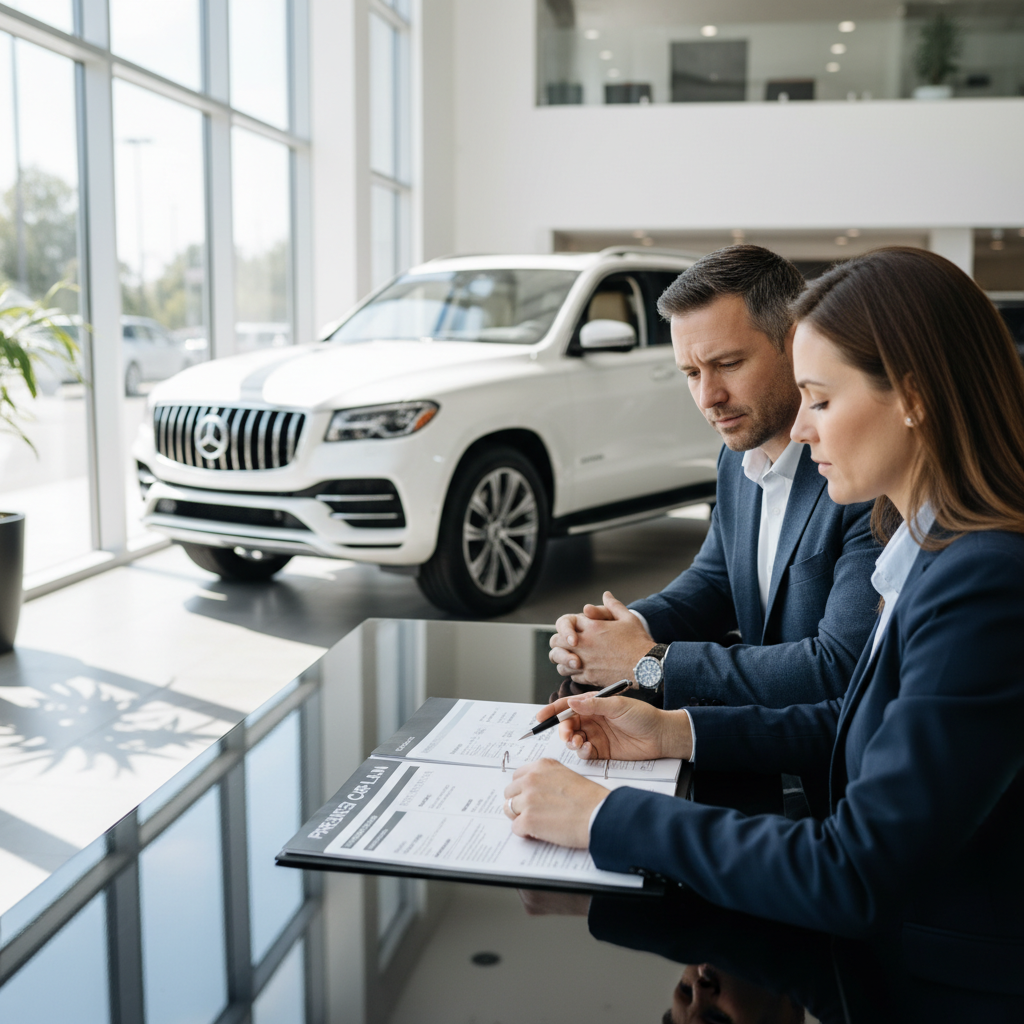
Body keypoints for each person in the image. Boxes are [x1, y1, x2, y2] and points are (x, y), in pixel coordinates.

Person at [505, 248, 1024, 1005]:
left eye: (819, 398)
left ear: (911, 397)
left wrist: (609, 815)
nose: (804, 435)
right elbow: (857, 723)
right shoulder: (930, 543)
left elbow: (852, 872)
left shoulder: (983, 579)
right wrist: (674, 732)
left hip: (941, 975)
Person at [548, 245, 879, 712]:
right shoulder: (735, 459)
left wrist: (648, 661)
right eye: (691, 372)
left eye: (728, 364)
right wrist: (619, 630)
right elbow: (716, 580)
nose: (709, 396)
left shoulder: (864, 477)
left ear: (795, 344)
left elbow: (839, 667)